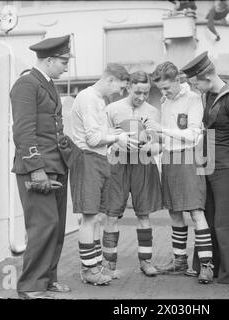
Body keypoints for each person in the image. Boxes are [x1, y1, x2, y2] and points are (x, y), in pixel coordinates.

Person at [181, 51, 229, 284]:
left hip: (228, 167)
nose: (196, 89)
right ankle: (211, 267)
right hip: (209, 165)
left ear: (207, 77)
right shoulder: (209, 96)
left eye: (196, 84)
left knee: (228, 220)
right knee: (211, 218)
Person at [10, 35, 77, 299]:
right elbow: (24, 132)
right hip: (38, 168)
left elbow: (54, 129)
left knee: (56, 227)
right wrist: (36, 168)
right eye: (62, 61)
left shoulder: (45, 83)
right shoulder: (26, 84)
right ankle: (30, 286)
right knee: (43, 226)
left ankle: (48, 279)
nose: (65, 66)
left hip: (56, 165)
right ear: (49, 60)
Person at [147, 62, 213, 284]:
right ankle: (180, 261)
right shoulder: (166, 102)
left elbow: (194, 135)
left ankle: (206, 265)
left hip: (189, 158)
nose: (163, 93)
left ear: (178, 80)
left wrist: (161, 130)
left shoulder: (193, 99)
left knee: (196, 211)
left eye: (166, 88)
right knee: (174, 212)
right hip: (169, 159)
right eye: (160, 90)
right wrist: (152, 142)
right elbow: (165, 137)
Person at [70, 63, 133, 286]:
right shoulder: (88, 98)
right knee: (89, 217)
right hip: (87, 159)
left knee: (96, 217)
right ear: (109, 80)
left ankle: (95, 266)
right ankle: (89, 270)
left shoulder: (98, 99)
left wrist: (113, 133)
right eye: (119, 87)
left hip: (97, 159)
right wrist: (118, 138)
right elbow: (93, 139)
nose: (119, 93)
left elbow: (99, 134)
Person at [103, 71, 163, 277]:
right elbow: (102, 138)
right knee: (111, 215)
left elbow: (158, 144)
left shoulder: (152, 111)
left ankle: (146, 261)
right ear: (128, 87)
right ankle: (109, 264)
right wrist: (116, 139)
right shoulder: (112, 109)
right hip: (117, 164)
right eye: (138, 92)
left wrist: (151, 145)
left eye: (146, 93)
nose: (141, 97)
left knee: (143, 214)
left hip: (142, 163)